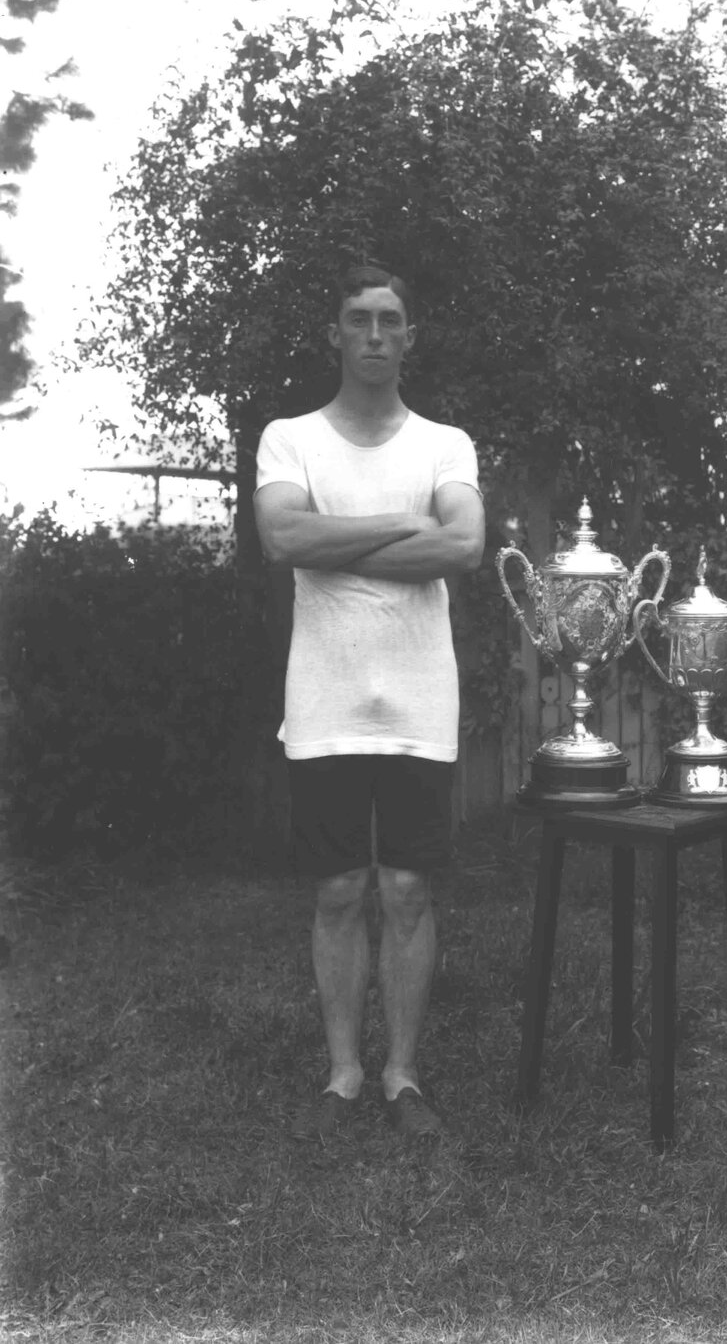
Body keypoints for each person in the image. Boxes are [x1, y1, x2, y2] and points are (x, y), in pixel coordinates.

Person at [254, 264, 484, 1139]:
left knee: (410, 887)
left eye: (391, 319)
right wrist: (403, 528)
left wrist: (334, 542)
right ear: (337, 334)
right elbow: (282, 534)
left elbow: (463, 545)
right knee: (342, 888)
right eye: (360, 320)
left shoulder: (443, 445)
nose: (376, 334)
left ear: (409, 336)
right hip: (325, 695)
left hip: (421, 695)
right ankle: (344, 1073)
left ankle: (402, 1075)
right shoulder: (291, 438)